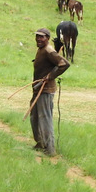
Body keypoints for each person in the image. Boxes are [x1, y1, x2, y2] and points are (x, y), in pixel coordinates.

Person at [30, 28, 70, 156]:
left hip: (45, 90)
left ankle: (50, 149)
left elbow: (64, 64)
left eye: (41, 37)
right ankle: (40, 143)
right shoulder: (42, 49)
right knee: (34, 116)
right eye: (37, 36)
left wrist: (50, 76)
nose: (38, 39)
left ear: (47, 38)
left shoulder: (48, 50)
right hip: (38, 88)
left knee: (45, 118)